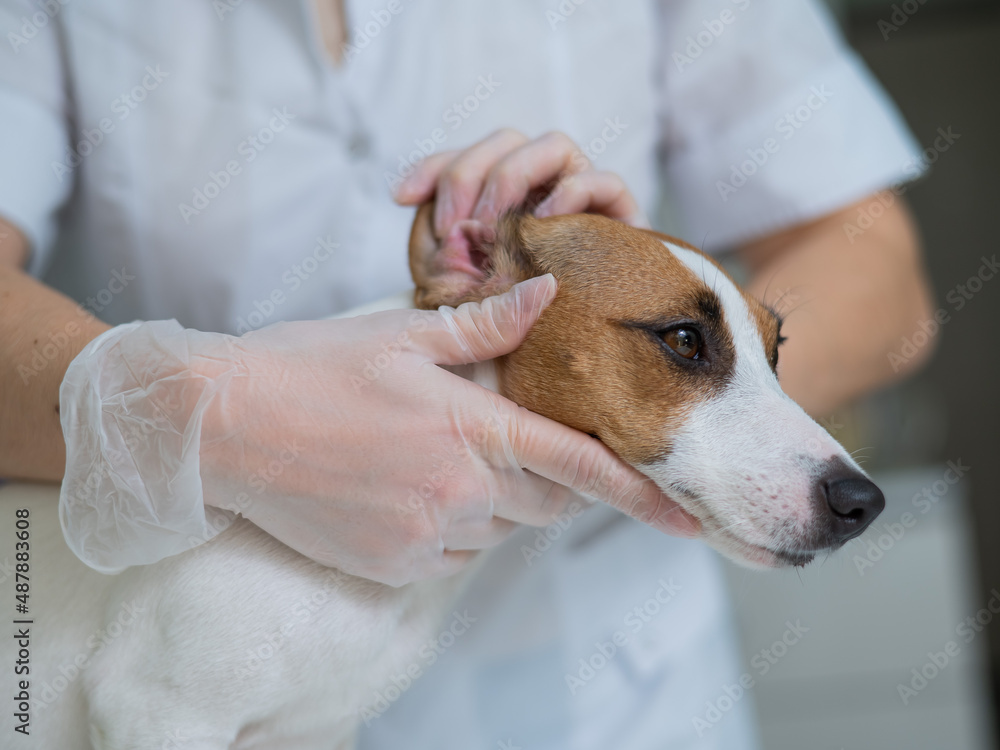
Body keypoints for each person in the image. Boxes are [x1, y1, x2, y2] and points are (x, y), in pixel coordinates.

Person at [0, 0, 934, 747]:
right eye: (686, 348)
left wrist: (641, 283)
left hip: (616, 706)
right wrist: (226, 418)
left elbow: (883, 276)